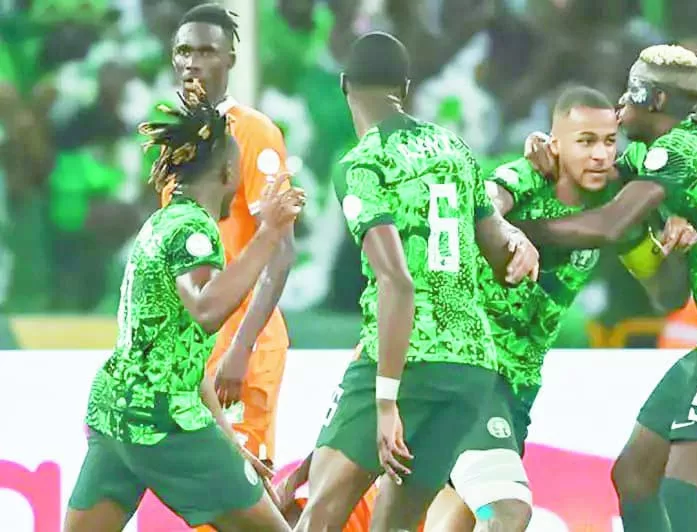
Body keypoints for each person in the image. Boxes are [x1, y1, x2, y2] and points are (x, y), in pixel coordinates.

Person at [519, 44, 697, 532]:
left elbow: (609, 223)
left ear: (655, 99)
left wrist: (513, 230)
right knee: (634, 476)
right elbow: (597, 177)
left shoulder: (681, 150)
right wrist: (551, 149)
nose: (619, 103)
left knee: (680, 491)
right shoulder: (660, 153)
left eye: (629, 92)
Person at [293, 32, 539, 531]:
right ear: (404, 88)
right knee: (398, 526)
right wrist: (520, 241)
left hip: (407, 358)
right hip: (471, 367)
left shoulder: (362, 164)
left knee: (322, 511)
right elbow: (500, 252)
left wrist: (386, 400)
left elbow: (396, 282)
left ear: (344, 86)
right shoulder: (454, 148)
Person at [424, 86, 697, 531]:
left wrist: (675, 245)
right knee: (508, 512)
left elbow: (666, 297)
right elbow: (480, 206)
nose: (600, 155)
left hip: (515, 388)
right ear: (555, 145)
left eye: (608, 141)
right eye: (585, 142)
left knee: (458, 518)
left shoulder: (612, 207)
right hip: (467, 369)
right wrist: (510, 235)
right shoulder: (526, 178)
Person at [64, 84, 305, 531]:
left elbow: (185, 361)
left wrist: (230, 445)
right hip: (164, 419)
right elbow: (207, 310)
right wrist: (269, 232)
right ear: (229, 172)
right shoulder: (194, 230)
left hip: (115, 411)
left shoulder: (160, 222)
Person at [169, 3, 294, 464]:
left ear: (230, 60)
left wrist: (242, 346)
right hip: (193, 349)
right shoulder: (178, 139)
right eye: (184, 51)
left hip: (240, 344)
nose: (192, 62)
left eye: (206, 51)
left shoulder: (254, 133)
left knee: (241, 485)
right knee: (200, 488)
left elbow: (281, 248)